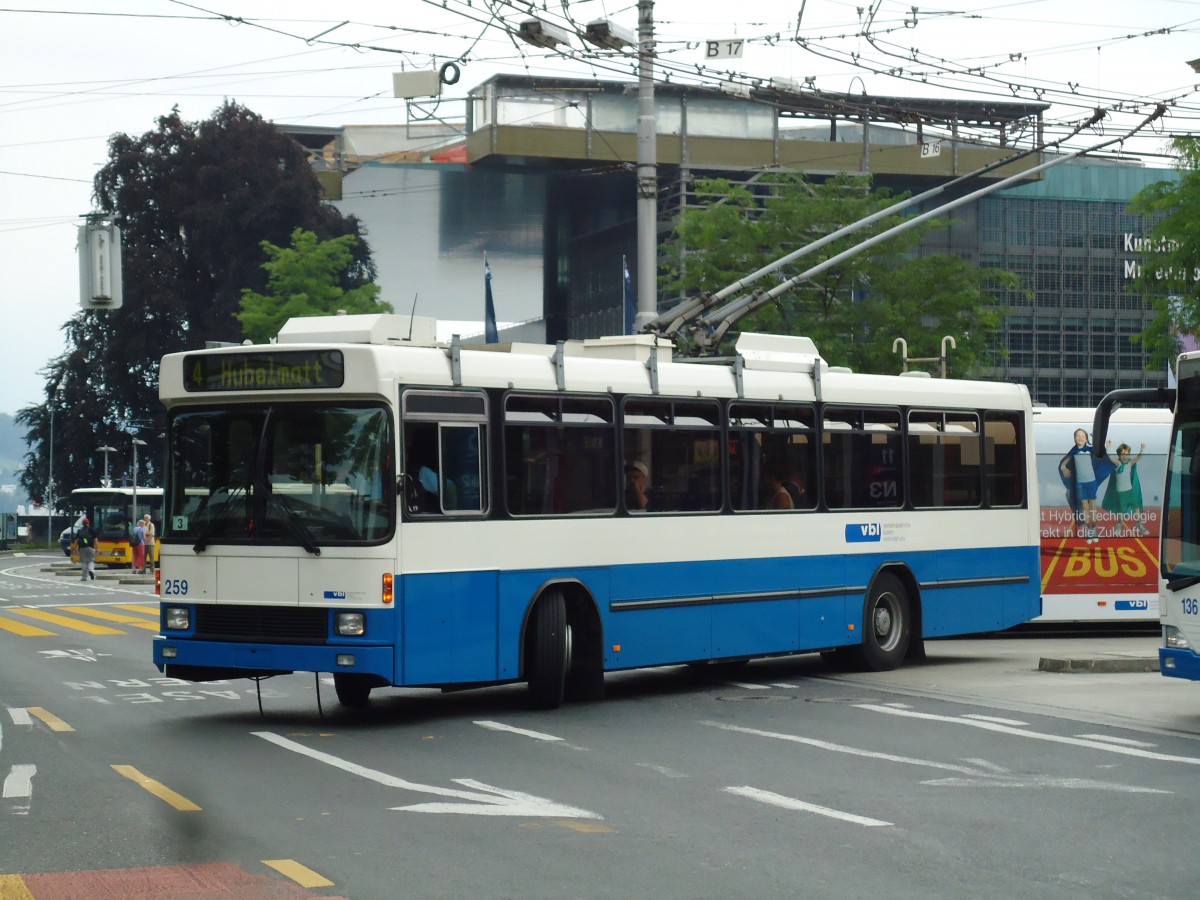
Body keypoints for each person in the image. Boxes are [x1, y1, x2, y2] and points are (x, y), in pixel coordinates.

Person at [1059, 428, 1114, 544]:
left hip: (1091, 481)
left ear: (1086, 439)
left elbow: (1101, 455)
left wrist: (1107, 447)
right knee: (1085, 509)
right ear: (1075, 438)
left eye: (1082, 436)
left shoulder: (1090, 450)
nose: (1080, 438)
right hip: (1080, 483)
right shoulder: (1074, 451)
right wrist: (1064, 467)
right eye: (1078, 436)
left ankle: (1094, 529)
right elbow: (1064, 462)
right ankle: (1088, 531)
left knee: (1093, 508)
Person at [1103, 441, 1150, 536]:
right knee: (1121, 512)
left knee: (1137, 509)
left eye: (1127, 454)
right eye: (1122, 454)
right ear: (1119, 455)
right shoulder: (1117, 463)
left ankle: (1139, 524)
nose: (1124, 457)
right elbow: (1110, 458)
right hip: (1121, 494)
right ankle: (1119, 526)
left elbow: (1138, 458)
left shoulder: (1130, 463)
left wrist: (1142, 449)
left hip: (1130, 492)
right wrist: (1108, 448)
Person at [77, 517, 97, 582]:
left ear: (82, 524)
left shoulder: (79, 531)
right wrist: (97, 548)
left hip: (81, 548)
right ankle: (91, 570)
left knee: (84, 562)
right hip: (90, 547)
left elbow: (75, 540)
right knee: (91, 560)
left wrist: (74, 549)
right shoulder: (91, 530)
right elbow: (95, 539)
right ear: (88, 523)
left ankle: (84, 577)